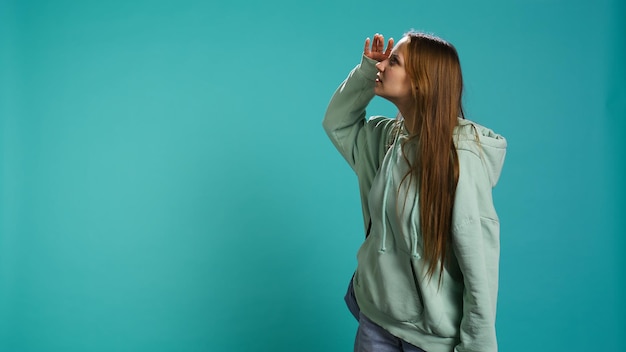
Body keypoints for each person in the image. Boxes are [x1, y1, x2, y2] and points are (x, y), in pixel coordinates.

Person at [323, 31, 507, 352]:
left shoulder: (460, 157)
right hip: (376, 321)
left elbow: (479, 268)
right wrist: (366, 70)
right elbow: (337, 122)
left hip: (431, 340)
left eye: (394, 61)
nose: (382, 66)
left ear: (421, 82)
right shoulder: (386, 139)